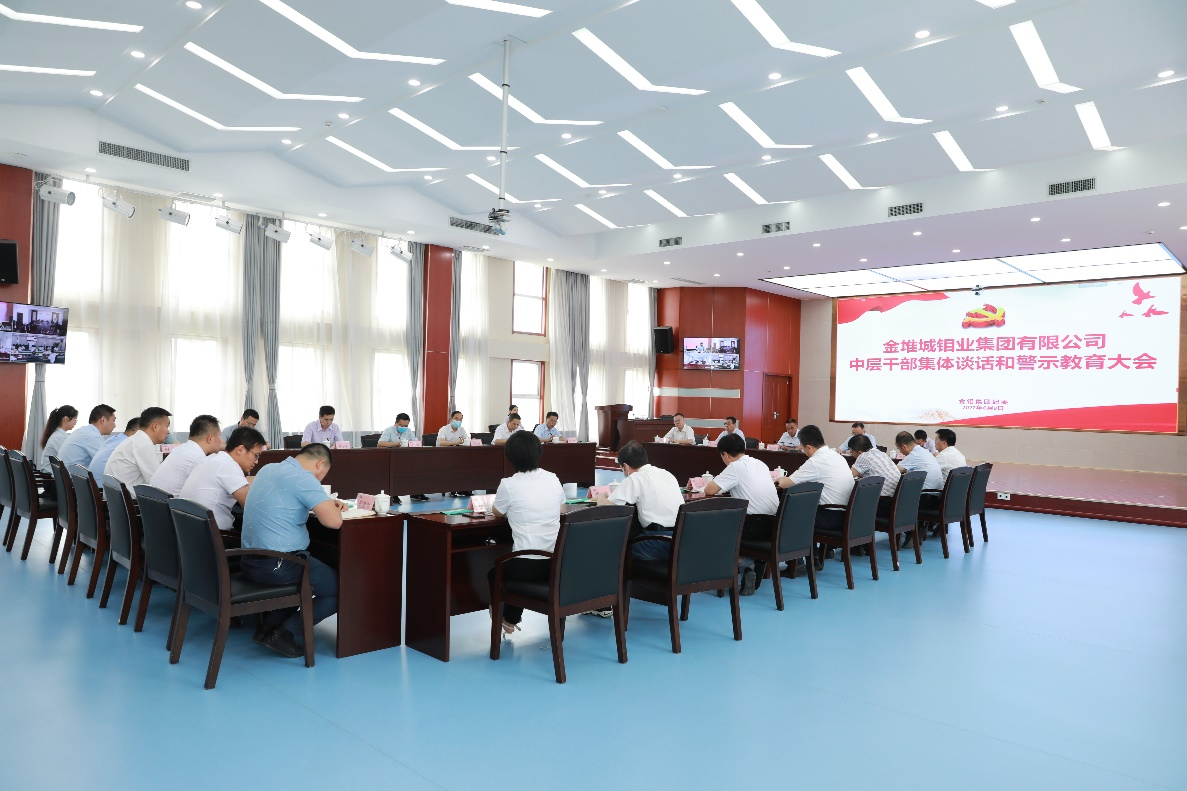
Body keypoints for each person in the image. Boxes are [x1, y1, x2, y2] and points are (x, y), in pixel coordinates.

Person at [240, 443, 347, 658]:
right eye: (322, 476)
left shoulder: (268, 469)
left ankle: (269, 628)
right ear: (320, 464)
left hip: (249, 561)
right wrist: (326, 503)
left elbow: (286, 499)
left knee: (310, 573)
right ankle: (287, 632)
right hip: (278, 565)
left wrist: (322, 501)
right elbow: (334, 522)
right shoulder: (304, 478)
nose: (319, 481)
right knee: (343, 589)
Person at [488, 430, 565, 636]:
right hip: (557, 563)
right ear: (538, 452)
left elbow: (497, 512)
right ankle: (511, 620)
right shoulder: (552, 478)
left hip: (527, 567)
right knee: (515, 564)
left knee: (495, 573)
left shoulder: (509, 484)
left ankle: (504, 617)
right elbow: (561, 508)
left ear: (510, 456)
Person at [704, 433, 777, 595]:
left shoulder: (735, 467)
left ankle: (747, 563)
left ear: (725, 455)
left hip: (754, 526)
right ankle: (751, 565)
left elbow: (709, 490)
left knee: (709, 531)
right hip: (773, 525)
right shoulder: (761, 463)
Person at [776, 424, 856, 571]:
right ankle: (813, 559)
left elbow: (786, 483)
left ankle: (797, 563)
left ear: (809, 447)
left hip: (831, 517)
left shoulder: (816, 461)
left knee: (789, 514)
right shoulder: (837, 456)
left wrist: (778, 478)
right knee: (806, 509)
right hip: (847, 515)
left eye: (803, 448)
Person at [180, 426, 267, 534]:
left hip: (192, 531)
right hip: (214, 536)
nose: (256, 461)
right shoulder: (228, 465)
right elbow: (252, 506)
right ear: (240, 449)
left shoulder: (213, 459)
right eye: (256, 456)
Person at [149, 415, 222, 496]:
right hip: (168, 503)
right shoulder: (197, 458)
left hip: (153, 500)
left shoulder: (181, 449)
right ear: (210, 438)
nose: (221, 441)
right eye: (219, 436)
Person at [104, 407, 172, 492]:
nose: (168, 432)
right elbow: (157, 483)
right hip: (129, 499)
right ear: (155, 426)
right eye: (167, 426)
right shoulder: (143, 444)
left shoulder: (137, 440)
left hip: (117, 497)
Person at [380, 412, 427, 500]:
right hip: (392, 459)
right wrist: (395, 444)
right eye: (401, 425)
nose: (404, 428)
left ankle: (415, 492)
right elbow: (380, 444)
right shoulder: (388, 430)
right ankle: (393, 494)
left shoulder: (408, 431)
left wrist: (411, 444)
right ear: (396, 423)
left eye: (406, 426)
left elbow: (416, 442)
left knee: (419, 468)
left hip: (406, 458)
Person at [57, 404, 116, 469]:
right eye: (113, 421)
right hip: (74, 474)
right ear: (103, 420)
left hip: (68, 473)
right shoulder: (92, 436)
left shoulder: (85, 431)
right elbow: (109, 462)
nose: (114, 425)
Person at [90, 417, 139, 484]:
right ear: (135, 430)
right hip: (102, 487)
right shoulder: (127, 444)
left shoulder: (113, 439)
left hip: (93, 484)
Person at [38, 404, 79, 473]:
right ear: (66, 419)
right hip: (51, 477)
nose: (75, 422)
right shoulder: (59, 437)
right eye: (75, 419)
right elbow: (70, 458)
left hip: (53, 475)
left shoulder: (59, 435)